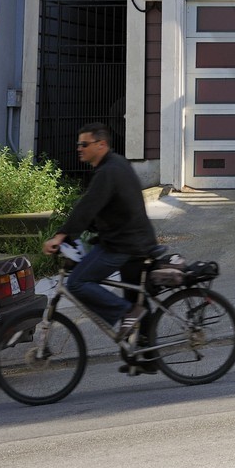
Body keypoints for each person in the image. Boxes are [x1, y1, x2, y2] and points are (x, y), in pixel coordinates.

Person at [42, 124, 158, 341]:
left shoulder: (108, 171)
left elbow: (87, 207)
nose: (79, 148)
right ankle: (146, 356)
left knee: (77, 282)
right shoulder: (117, 163)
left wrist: (60, 236)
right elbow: (104, 208)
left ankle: (125, 314)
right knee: (136, 300)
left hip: (123, 245)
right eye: (79, 144)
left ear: (101, 144)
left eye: (84, 144)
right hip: (136, 241)